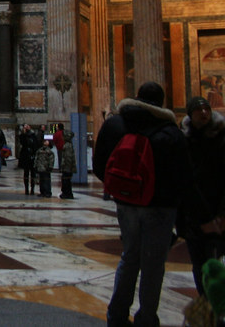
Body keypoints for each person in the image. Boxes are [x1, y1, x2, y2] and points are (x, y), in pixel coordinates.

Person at [93, 81, 192, 327]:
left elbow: (99, 164)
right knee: (153, 264)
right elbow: (183, 176)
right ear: (162, 101)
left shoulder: (115, 123)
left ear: (137, 96)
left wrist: (121, 190)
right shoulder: (171, 131)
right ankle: (147, 318)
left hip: (126, 203)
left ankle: (116, 315)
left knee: (129, 258)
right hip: (159, 207)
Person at [178, 96, 225, 296]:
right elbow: (182, 182)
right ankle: (206, 305)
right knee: (198, 264)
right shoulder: (184, 140)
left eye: (207, 108)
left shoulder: (222, 137)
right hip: (194, 216)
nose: (204, 112)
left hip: (219, 212)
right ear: (190, 114)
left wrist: (221, 215)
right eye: (199, 109)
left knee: (217, 264)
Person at [19, 124, 40, 195]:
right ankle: (26, 189)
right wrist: (24, 133)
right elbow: (22, 142)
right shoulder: (23, 135)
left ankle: (32, 188)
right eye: (25, 126)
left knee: (33, 174)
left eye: (27, 126)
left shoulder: (33, 135)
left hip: (32, 156)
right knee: (26, 173)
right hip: (26, 156)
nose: (26, 127)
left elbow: (36, 145)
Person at [59, 127, 76, 199]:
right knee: (66, 180)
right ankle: (67, 193)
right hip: (67, 166)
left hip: (67, 167)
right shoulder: (68, 144)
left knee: (66, 180)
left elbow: (68, 157)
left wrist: (66, 166)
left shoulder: (67, 145)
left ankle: (67, 193)